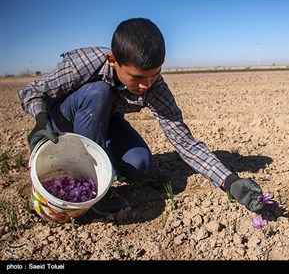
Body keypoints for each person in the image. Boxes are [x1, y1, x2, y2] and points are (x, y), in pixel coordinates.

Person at [18, 18, 267, 216]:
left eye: (155, 74)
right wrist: (40, 120)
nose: (147, 85)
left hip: (105, 119)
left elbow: (184, 142)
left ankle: (104, 162)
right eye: (137, 77)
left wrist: (229, 180)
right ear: (112, 61)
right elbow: (33, 92)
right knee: (98, 92)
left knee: (141, 166)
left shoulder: (155, 87)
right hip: (64, 120)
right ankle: (92, 188)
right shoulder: (85, 62)